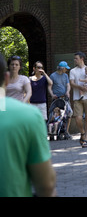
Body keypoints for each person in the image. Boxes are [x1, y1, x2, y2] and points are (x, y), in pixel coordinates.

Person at [0, 53, 56, 197]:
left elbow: (28, 92)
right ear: (6, 77)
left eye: (16, 64)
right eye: (12, 64)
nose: (14, 66)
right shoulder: (30, 117)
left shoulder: (23, 79)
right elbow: (46, 184)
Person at [69, 51, 87, 148]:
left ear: (82, 59)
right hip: (77, 97)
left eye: (76, 58)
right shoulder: (73, 71)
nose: (75, 60)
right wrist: (80, 87)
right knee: (78, 118)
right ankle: (82, 133)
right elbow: (72, 83)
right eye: (74, 59)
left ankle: (86, 138)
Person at [49, 61, 72, 137]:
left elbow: (68, 85)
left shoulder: (65, 76)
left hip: (65, 98)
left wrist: (68, 92)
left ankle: (66, 131)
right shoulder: (53, 76)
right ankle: (53, 131)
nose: (66, 70)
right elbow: (49, 87)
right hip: (56, 98)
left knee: (69, 113)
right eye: (66, 68)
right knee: (54, 114)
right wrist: (52, 94)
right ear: (62, 68)